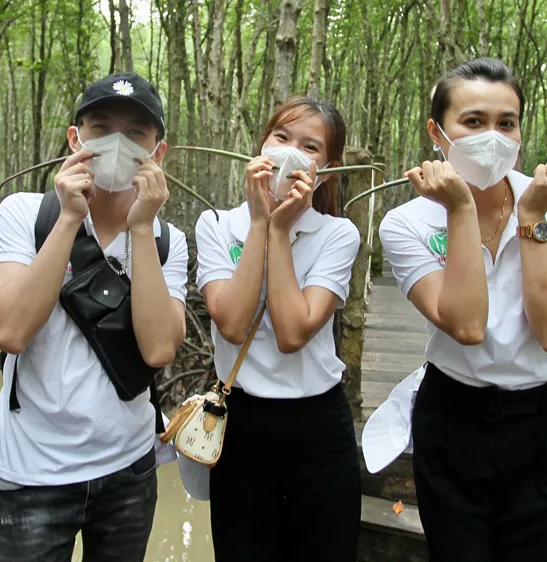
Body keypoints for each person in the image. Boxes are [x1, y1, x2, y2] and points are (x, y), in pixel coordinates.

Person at [378, 58, 547, 561]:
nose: (492, 136)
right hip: (454, 417)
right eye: (473, 122)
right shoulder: (405, 222)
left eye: (507, 123)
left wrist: (532, 218)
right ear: (438, 132)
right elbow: (467, 325)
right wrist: (459, 210)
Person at [0, 72, 188, 562]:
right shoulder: (24, 213)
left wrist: (141, 226)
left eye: (136, 133)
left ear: (157, 154)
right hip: (33, 472)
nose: (117, 142)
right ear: (75, 139)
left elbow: (159, 349)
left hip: (129, 470)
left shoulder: (166, 240)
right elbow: (10, 331)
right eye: (101, 127)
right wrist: (70, 217)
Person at [194, 96, 362, 561]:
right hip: (241, 427)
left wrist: (281, 231)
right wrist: (258, 222)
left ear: (326, 168)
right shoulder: (215, 225)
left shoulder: (337, 234)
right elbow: (230, 323)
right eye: (282, 138)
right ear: (261, 145)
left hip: (318, 428)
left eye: (310, 147)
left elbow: (293, 333)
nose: (291, 153)